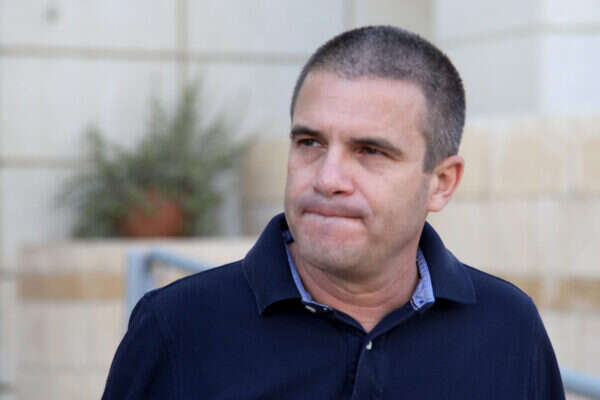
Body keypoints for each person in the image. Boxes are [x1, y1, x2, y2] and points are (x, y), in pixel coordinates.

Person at [102, 26, 565, 399]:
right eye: (310, 142)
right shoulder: (178, 328)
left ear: (441, 182)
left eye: (370, 151)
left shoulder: (509, 329)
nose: (327, 178)